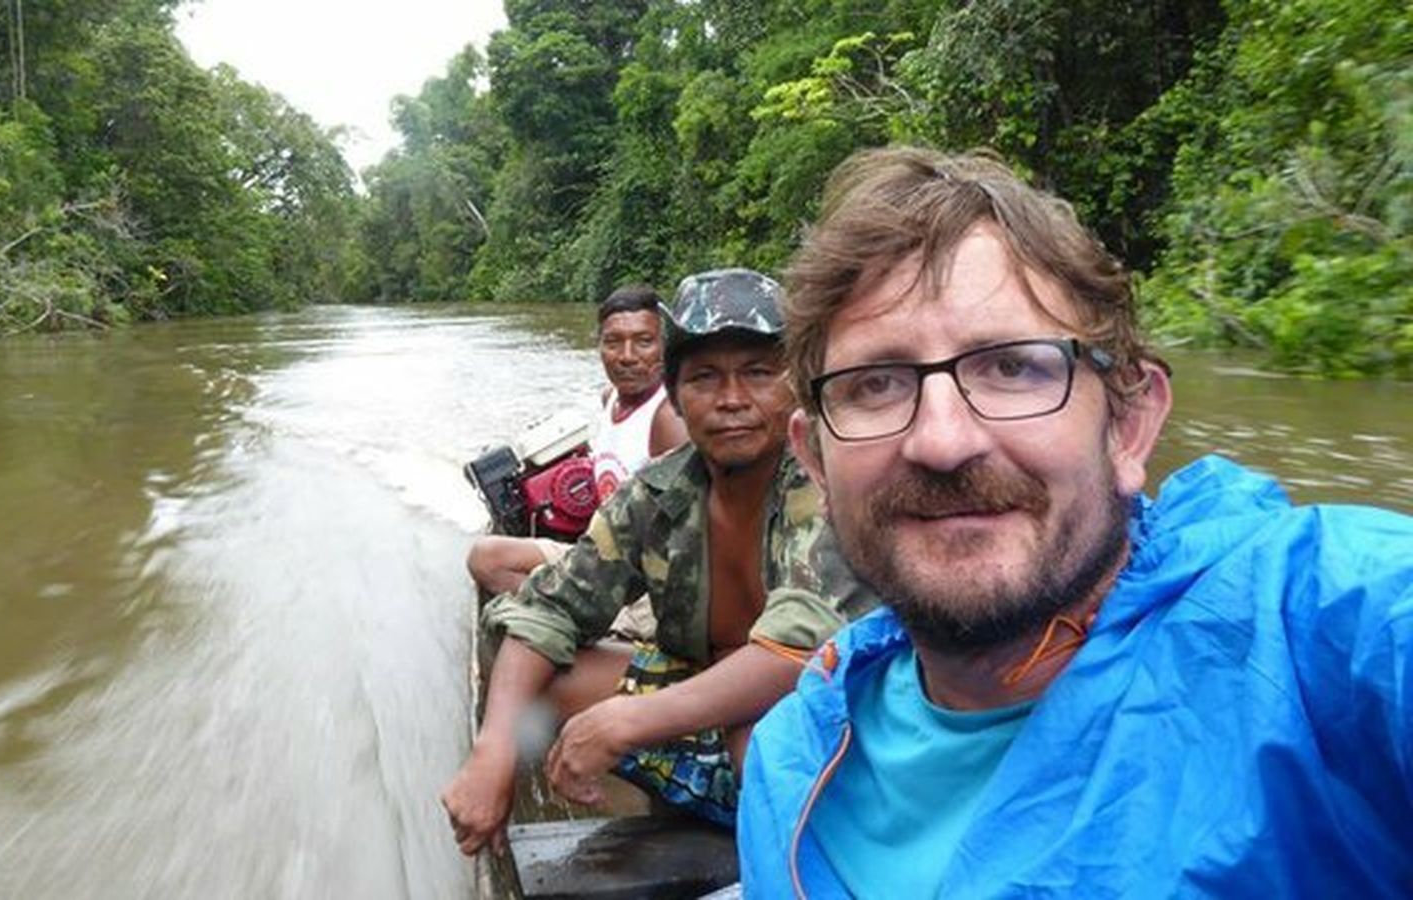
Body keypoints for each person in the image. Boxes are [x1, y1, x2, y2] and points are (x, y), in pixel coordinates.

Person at [735, 146, 1413, 897]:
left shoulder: (1319, 628)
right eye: (875, 385)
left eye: (1013, 367)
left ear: (1129, 426)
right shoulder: (790, 764)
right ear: (816, 461)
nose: (942, 442)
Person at [441, 269, 878, 856]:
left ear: (797, 386)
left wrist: (626, 723)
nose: (731, 399)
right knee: (540, 681)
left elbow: (800, 647)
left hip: (835, 713)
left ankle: (793, 851)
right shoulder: (658, 494)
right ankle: (689, 806)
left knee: (760, 738)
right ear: (673, 395)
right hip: (703, 699)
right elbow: (547, 608)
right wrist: (492, 750)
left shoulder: (826, 482)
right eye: (704, 377)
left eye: (757, 372)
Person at [466, 284, 687, 596]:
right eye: (613, 342)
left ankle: (572, 614)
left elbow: (681, 538)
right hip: (601, 550)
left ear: (666, 347)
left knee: (493, 564)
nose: (627, 356)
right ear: (599, 346)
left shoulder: (668, 419)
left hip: (640, 575)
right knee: (486, 558)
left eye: (644, 342)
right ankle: (564, 608)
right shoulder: (611, 397)